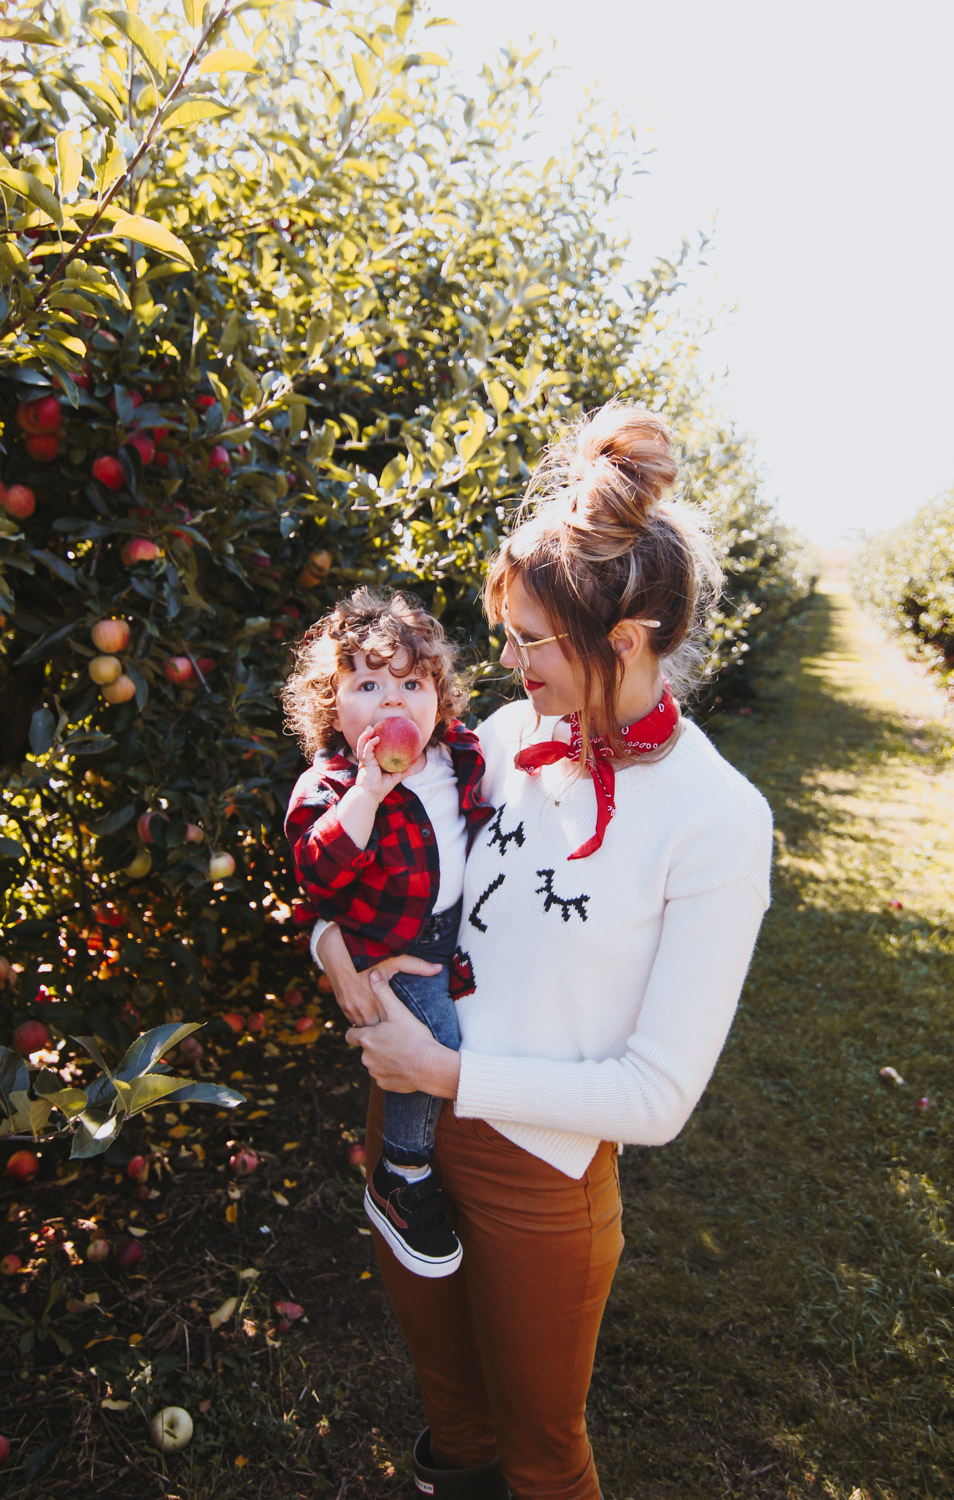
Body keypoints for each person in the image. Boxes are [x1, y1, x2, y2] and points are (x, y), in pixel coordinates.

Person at [318, 403, 774, 1500]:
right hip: (411, 1121)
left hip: (542, 1170)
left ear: (622, 643)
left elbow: (658, 1097)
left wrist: (451, 1073)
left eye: (529, 640)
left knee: (541, 1449)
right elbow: (366, 875)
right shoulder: (508, 742)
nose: (506, 661)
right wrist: (344, 962)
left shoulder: (715, 817)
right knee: (451, 1406)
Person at [282, 589, 493, 1277]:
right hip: (389, 953)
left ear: (439, 696)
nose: (394, 701)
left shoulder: (456, 753)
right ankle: (400, 1174)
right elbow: (318, 876)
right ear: (332, 705)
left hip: (450, 939)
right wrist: (366, 793)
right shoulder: (332, 785)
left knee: (460, 1034)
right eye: (368, 684)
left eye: (411, 682)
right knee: (435, 1045)